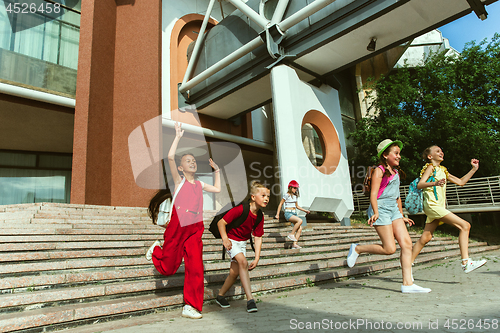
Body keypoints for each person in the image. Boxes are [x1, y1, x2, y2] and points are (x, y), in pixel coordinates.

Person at [145, 122, 221, 319]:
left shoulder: (200, 183)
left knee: (195, 267)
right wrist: (177, 137)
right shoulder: (178, 182)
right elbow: (170, 156)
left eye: (194, 160)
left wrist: (217, 172)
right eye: (188, 160)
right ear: (180, 167)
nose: (192, 162)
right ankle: (156, 250)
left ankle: (191, 306)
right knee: (169, 268)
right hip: (177, 228)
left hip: (195, 229)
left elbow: (218, 190)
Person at [346, 139, 431, 293]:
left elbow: (397, 197)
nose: (399, 156)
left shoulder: (396, 173)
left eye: (399, 154)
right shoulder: (379, 170)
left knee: (406, 244)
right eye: (396, 153)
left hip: (394, 210)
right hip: (381, 209)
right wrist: (376, 212)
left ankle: (407, 284)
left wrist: (402, 215)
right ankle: (357, 249)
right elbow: (373, 194)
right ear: (385, 155)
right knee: (389, 249)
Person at [411, 145, 486, 273]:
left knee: (426, 238)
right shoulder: (430, 167)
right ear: (430, 156)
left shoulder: (443, 170)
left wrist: (474, 169)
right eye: (437, 151)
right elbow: (420, 184)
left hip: (437, 207)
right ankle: (466, 262)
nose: (441, 153)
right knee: (465, 226)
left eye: (441, 151)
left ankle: (407, 262)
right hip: (432, 206)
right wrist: (435, 183)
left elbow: (461, 182)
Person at [215, 181, 270, 313]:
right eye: (263, 195)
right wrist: (225, 239)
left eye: (268, 196)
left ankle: (220, 296)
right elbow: (221, 222)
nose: (266, 199)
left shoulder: (260, 216)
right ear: (253, 197)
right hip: (231, 241)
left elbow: (258, 237)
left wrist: (257, 258)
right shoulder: (241, 209)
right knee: (243, 262)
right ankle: (250, 300)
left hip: (243, 243)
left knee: (234, 274)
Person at [274, 180, 310, 249]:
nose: (296, 190)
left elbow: (297, 206)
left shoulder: (295, 196)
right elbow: (280, 204)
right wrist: (277, 214)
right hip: (288, 213)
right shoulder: (286, 195)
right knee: (300, 221)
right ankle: (291, 234)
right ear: (290, 188)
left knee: (300, 229)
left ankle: (294, 244)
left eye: (296, 188)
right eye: (294, 188)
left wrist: (305, 211)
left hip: (294, 213)